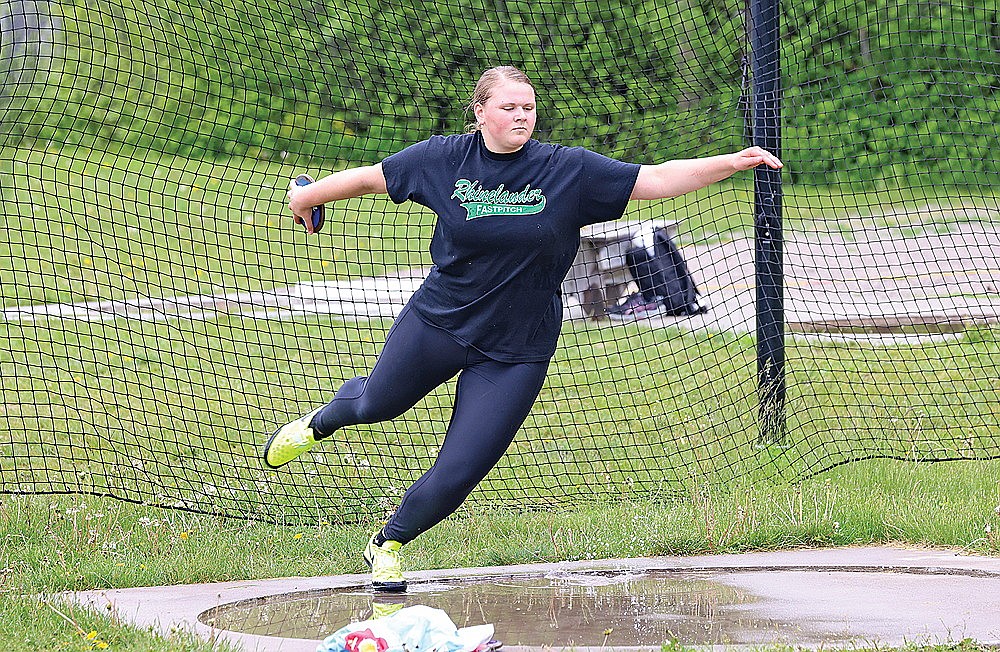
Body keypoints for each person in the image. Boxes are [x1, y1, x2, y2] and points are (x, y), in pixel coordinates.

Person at [264, 65, 782, 592]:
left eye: (528, 107)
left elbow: (657, 178)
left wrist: (732, 162)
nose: (520, 115)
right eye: (509, 107)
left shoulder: (566, 169)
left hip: (517, 349)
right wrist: (307, 197)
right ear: (481, 112)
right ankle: (317, 425)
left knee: (462, 469)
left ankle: (389, 543)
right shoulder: (443, 159)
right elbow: (373, 177)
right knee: (376, 404)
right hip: (441, 322)